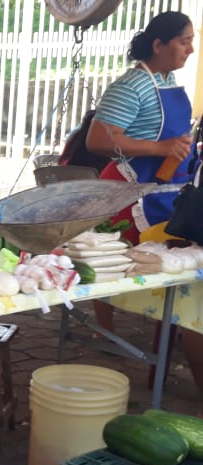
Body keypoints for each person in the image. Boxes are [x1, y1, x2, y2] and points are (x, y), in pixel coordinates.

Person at [82, 12, 203, 386]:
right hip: (129, 191)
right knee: (114, 262)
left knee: (165, 266)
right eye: (184, 41)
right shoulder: (131, 85)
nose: (191, 48)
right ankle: (105, 329)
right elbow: (98, 140)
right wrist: (160, 146)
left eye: (191, 40)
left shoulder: (168, 81)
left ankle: (162, 343)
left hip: (166, 188)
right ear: (159, 45)